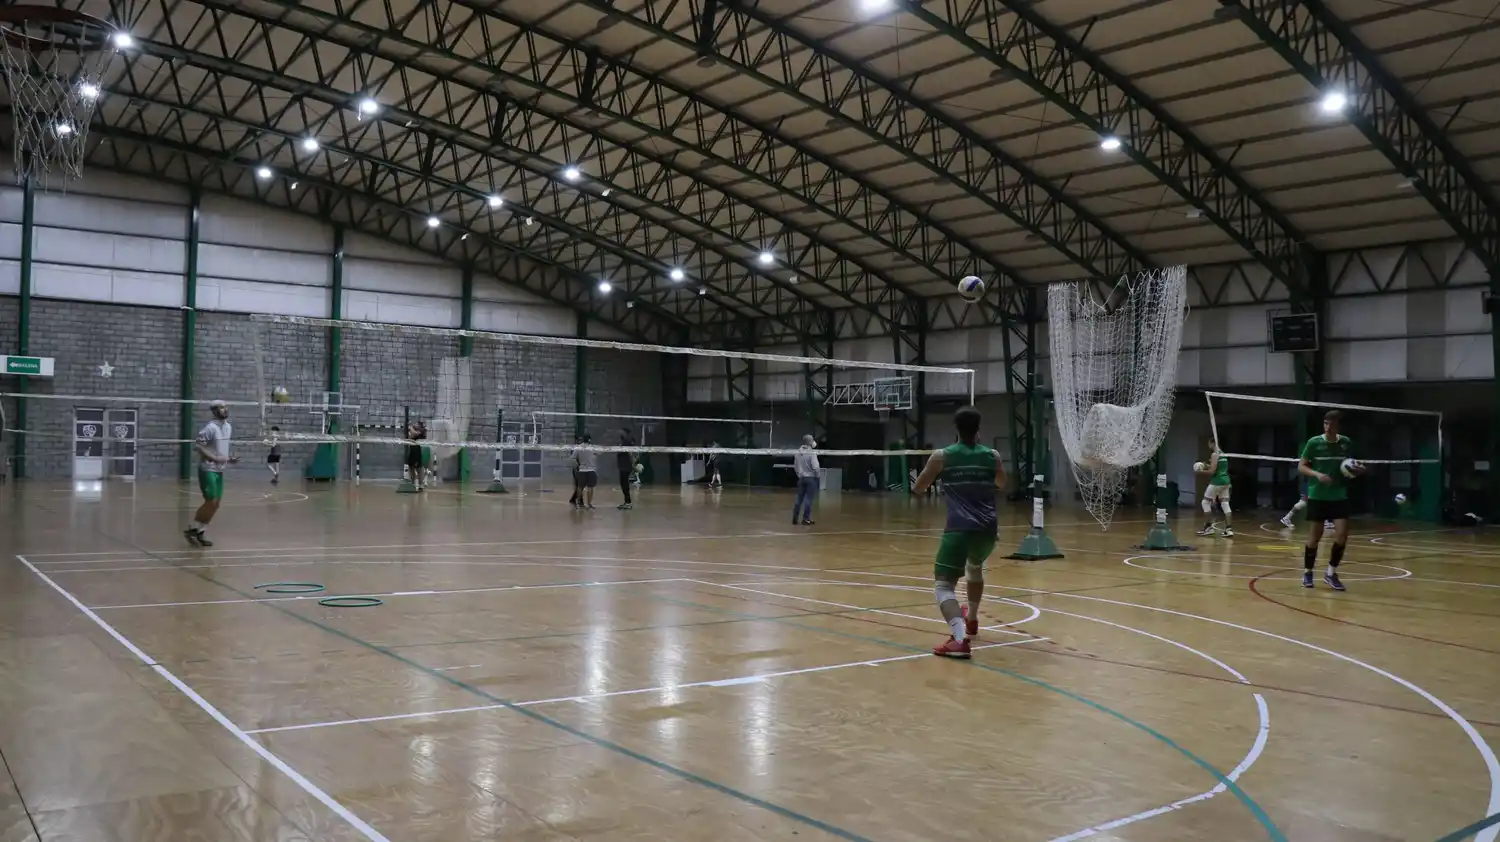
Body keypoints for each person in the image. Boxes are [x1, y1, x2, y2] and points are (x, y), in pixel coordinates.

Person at [912, 407, 1006, 659]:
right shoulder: (993, 455)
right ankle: (973, 618)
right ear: (979, 430)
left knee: (944, 586)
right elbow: (1001, 483)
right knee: (975, 568)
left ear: (956, 429)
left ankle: (960, 639)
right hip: (987, 530)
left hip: (958, 529)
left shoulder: (942, 456)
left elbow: (919, 487)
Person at [1299, 410, 1363, 590]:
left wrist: (1357, 470)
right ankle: (1307, 572)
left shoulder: (1346, 443)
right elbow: (1302, 466)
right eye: (1325, 424)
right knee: (1314, 538)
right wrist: (1317, 474)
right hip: (1318, 495)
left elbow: (1350, 465)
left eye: (1332, 424)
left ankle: (1330, 573)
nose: (1328, 427)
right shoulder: (1314, 443)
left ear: (1338, 426)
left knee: (1342, 535)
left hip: (1338, 495)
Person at [185, 400, 238, 547]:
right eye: (221, 407)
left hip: (220, 470)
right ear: (214, 411)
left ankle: (199, 530)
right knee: (211, 501)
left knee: (216, 504)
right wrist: (214, 458)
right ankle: (193, 528)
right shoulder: (210, 428)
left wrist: (229, 459)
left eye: (226, 406)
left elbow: (221, 448)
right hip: (208, 468)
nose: (225, 409)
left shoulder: (228, 427)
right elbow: (199, 447)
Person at [1195, 445, 1233, 537]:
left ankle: (1209, 528)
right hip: (1226, 481)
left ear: (1211, 443)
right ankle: (1229, 529)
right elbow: (1218, 468)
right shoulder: (1223, 454)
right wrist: (1206, 465)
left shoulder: (1215, 454)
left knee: (1205, 502)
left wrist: (1200, 472)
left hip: (1217, 481)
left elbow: (1212, 471)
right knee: (1225, 504)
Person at [792, 434, 820, 525]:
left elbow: (795, 466)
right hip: (811, 478)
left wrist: (799, 475)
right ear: (809, 442)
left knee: (799, 499)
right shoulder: (811, 453)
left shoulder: (798, 452)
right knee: (809, 499)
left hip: (801, 478)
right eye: (812, 440)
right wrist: (817, 475)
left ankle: (795, 518)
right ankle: (806, 519)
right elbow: (815, 467)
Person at [573, 433, 598, 509]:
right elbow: (599, 452)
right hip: (591, 470)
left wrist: (577, 465)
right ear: (590, 439)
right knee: (590, 487)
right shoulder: (593, 448)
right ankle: (589, 504)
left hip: (581, 470)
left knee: (580, 487)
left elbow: (573, 458)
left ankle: (578, 503)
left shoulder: (578, 448)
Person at [404, 421, 427, 491]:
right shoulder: (412, 430)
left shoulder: (421, 430)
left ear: (420, 425)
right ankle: (413, 484)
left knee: (419, 469)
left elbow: (414, 434)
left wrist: (410, 426)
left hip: (417, 450)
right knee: (411, 467)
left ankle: (421, 485)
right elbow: (410, 436)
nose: (415, 424)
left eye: (417, 424)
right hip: (411, 450)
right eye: (415, 423)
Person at [617, 428, 636, 510]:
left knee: (624, 484)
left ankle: (628, 502)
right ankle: (627, 502)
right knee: (624, 484)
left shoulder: (627, 441)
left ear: (625, 433)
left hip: (625, 466)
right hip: (622, 466)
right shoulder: (623, 441)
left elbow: (630, 453)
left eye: (621, 431)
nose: (619, 432)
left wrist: (634, 463)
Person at [568, 434, 582, 507]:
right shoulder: (574, 448)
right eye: (579, 439)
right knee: (579, 485)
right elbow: (573, 459)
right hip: (576, 469)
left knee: (579, 485)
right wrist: (576, 468)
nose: (580, 441)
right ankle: (578, 501)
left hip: (581, 468)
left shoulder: (581, 447)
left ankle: (574, 500)